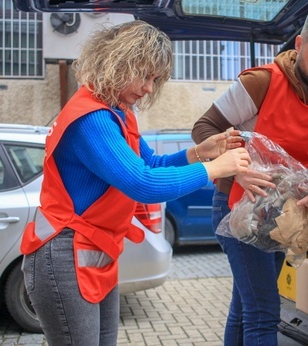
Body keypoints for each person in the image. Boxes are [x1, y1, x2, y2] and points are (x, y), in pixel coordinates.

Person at [20, 20, 250, 346]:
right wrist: (214, 169)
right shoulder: (91, 118)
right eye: (144, 75)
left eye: (155, 79)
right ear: (118, 62)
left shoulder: (118, 113)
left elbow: (150, 164)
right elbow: (142, 184)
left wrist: (199, 152)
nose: (148, 88)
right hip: (63, 254)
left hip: (93, 250)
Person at [192, 4, 308, 345]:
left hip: (286, 216)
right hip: (237, 206)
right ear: (299, 44)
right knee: (264, 312)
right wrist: (235, 169)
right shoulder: (260, 82)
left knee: (246, 305)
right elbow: (204, 128)